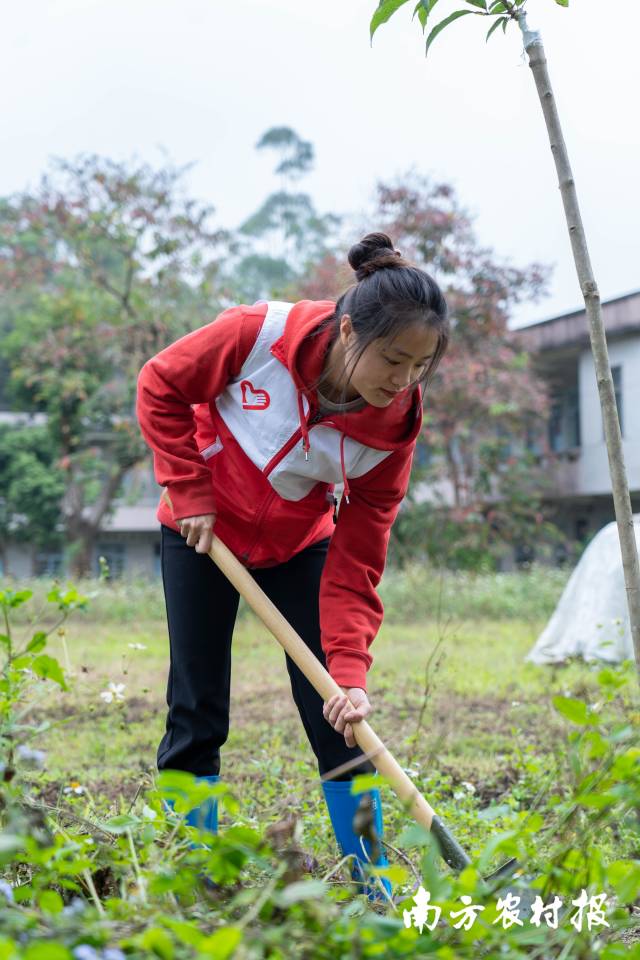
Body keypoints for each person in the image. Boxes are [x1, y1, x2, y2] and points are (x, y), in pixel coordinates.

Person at [136, 231, 449, 900]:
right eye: (392, 360)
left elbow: (359, 559)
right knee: (197, 705)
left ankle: (373, 880)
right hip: (202, 533)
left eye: (420, 367)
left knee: (338, 713)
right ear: (345, 332)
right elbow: (160, 385)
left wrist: (351, 670)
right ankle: (197, 874)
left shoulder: (393, 430)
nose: (402, 382)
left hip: (300, 545)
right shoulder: (256, 336)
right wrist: (190, 491)